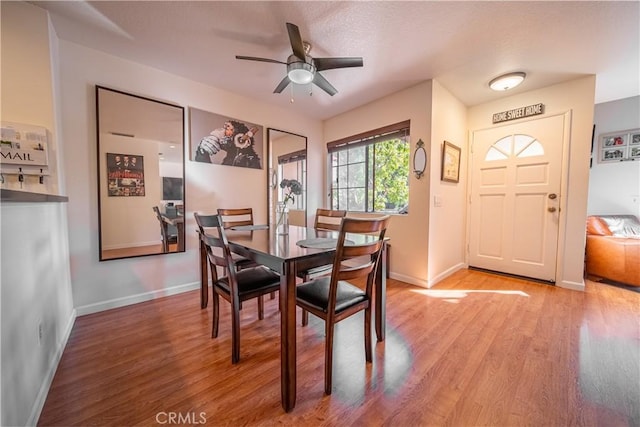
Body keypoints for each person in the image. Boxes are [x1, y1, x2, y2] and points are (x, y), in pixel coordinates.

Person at [195, 120, 261, 169]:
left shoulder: (250, 160)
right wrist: (202, 152)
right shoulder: (229, 159)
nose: (223, 133)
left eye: (228, 130)